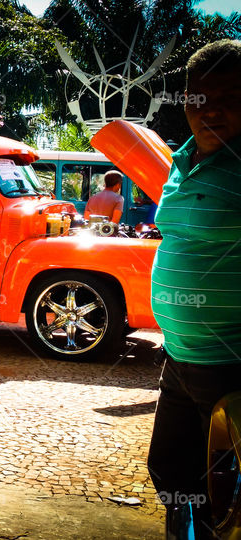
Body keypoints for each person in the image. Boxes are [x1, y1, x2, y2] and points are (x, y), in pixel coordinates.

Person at [146, 39, 241, 539]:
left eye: (232, 96)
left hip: (232, 364)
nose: (214, 109)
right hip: (180, 358)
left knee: (225, 498)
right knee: (169, 474)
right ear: (186, 100)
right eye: (203, 96)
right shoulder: (180, 162)